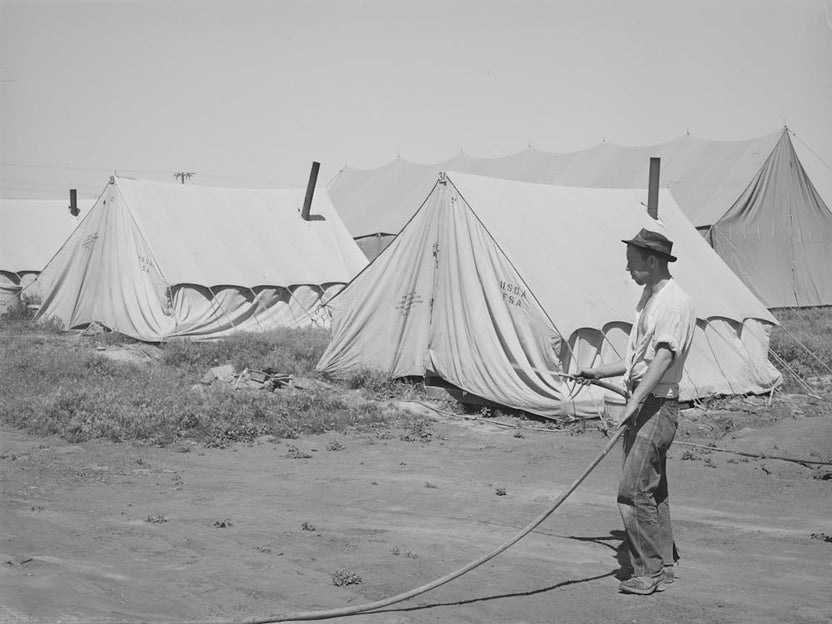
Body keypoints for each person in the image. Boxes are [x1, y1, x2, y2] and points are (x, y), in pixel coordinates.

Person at [577, 228, 696, 596]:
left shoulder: (675, 303)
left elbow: (662, 359)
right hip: (648, 400)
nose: (628, 270)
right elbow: (639, 360)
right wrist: (599, 372)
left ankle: (648, 572)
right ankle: (665, 563)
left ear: (653, 261)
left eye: (633, 264)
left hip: (655, 405)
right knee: (653, 489)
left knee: (632, 492)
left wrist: (635, 401)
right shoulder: (651, 297)